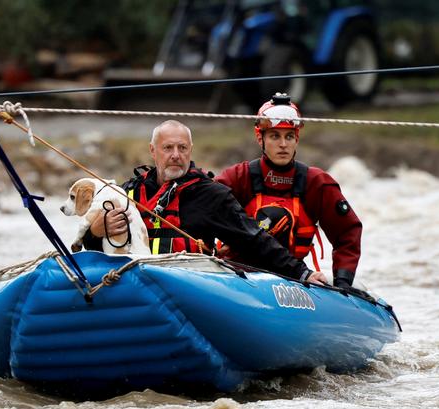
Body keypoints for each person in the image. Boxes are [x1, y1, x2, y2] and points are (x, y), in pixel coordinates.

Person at [81, 119, 327, 285]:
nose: (176, 155)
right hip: (132, 281)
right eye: (167, 148)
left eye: (182, 148)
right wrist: (96, 231)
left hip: (189, 285)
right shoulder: (126, 193)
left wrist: (302, 273)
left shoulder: (212, 195)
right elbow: (91, 248)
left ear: (190, 151)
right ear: (152, 151)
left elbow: (253, 238)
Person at [215, 93, 362, 288]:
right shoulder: (237, 178)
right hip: (239, 277)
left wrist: (343, 283)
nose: (283, 144)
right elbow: (204, 209)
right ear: (260, 138)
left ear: (297, 139)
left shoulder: (317, 183)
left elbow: (347, 233)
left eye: (289, 136)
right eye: (275, 136)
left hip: (294, 280)